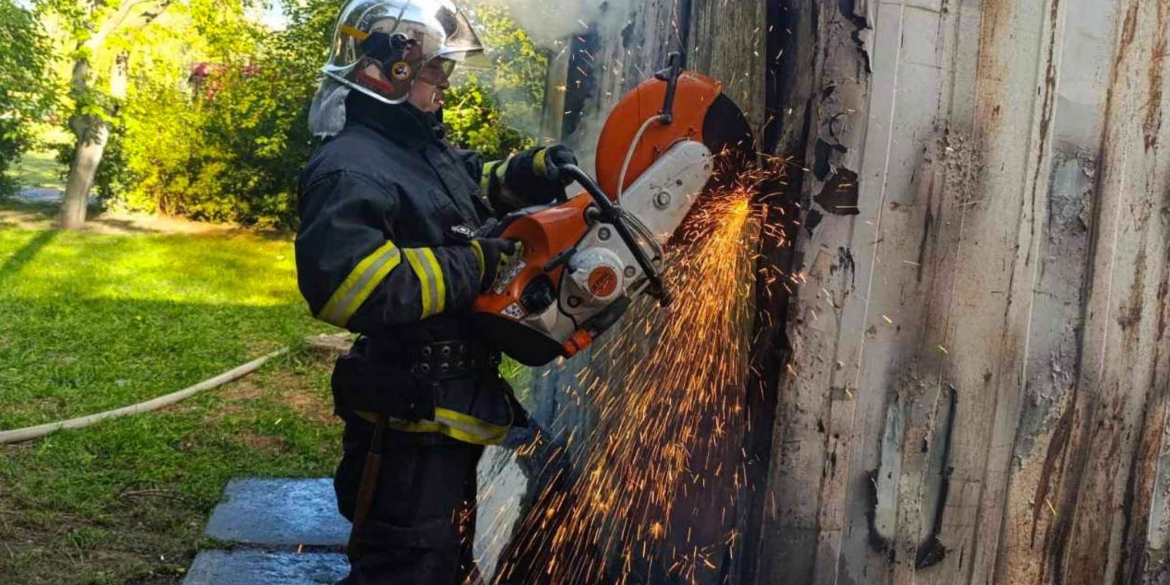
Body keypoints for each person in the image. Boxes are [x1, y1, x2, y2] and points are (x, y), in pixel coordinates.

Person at [294, 1, 577, 582]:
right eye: (434, 71)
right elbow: (349, 288)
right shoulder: (351, 166)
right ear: (392, 70)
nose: (445, 83)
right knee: (409, 567)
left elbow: (466, 189)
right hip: (410, 420)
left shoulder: (416, 148)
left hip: (458, 399)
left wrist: (527, 173)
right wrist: (472, 265)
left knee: (459, 553)